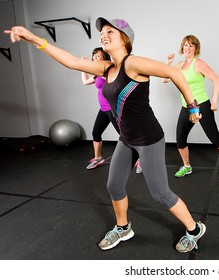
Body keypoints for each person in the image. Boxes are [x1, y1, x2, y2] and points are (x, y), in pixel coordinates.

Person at [5, 17, 206, 253]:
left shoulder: (134, 63)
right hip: (127, 138)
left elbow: (174, 73)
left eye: (110, 31)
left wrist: (193, 106)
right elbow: (71, 62)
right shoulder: (107, 67)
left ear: (125, 39)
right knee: (114, 185)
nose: (104, 35)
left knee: (160, 193)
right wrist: (33, 39)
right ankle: (123, 228)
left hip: (149, 138)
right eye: (102, 32)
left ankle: (194, 229)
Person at [163, 35, 219, 180]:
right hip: (187, 106)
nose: (187, 48)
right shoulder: (178, 65)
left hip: (201, 105)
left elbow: (217, 79)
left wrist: (214, 101)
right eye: (185, 45)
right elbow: (165, 79)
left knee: (214, 137)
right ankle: (187, 166)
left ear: (195, 48)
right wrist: (168, 63)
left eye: (191, 45)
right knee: (180, 139)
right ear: (182, 47)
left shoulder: (198, 64)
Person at [81, 49, 142, 173]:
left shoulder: (107, 71)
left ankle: (139, 160)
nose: (96, 58)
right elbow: (85, 81)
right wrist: (83, 68)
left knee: (125, 136)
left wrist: (87, 65)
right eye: (94, 56)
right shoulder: (97, 73)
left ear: (104, 57)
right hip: (103, 109)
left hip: (113, 109)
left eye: (99, 56)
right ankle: (98, 158)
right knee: (96, 133)